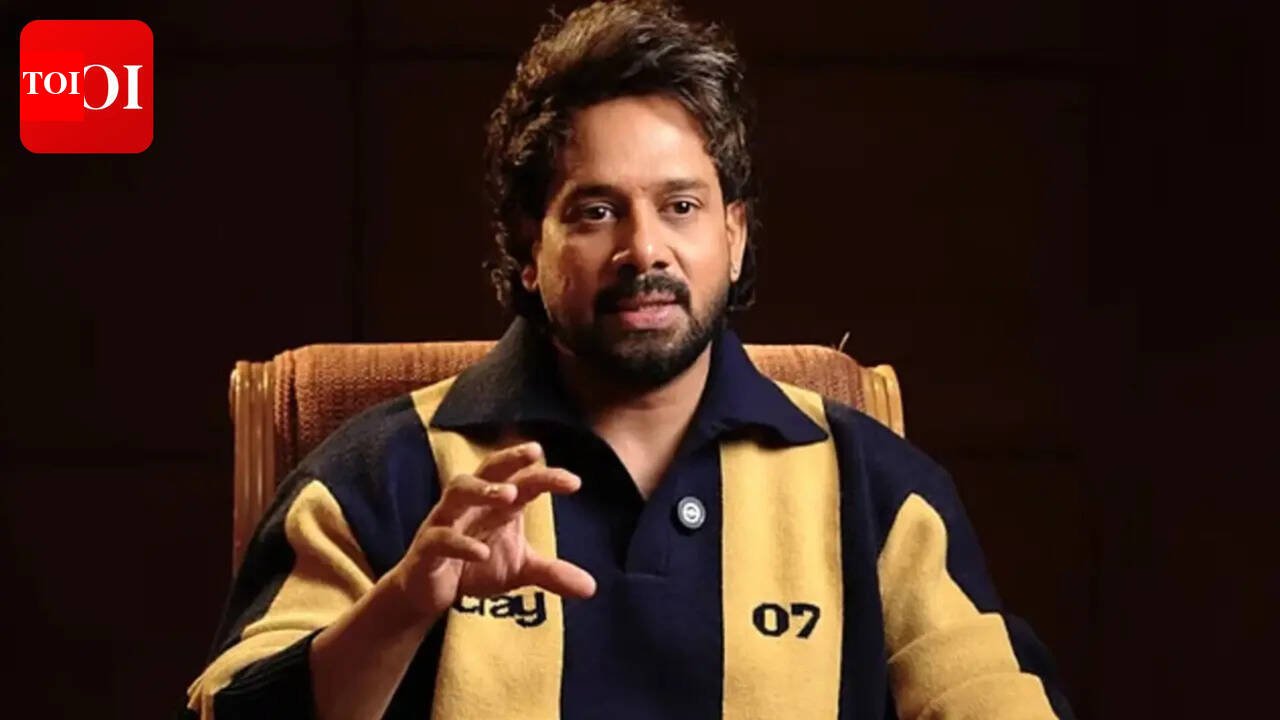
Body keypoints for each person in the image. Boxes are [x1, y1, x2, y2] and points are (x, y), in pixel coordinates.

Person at [183, 1, 1075, 717]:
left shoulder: (874, 490)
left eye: (680, 206)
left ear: (734, 235)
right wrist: (405, 605)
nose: (644, 249)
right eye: (596, 211)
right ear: (527, 249)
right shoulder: (380, 476)